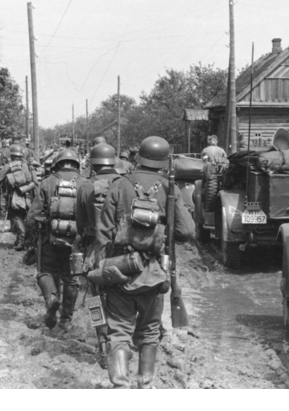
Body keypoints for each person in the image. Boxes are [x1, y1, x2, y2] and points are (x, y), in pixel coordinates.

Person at [93, 136, 195, 389]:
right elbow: (187, 232)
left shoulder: (120, 184)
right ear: (164, 161)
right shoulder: (169, 188)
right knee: (149, 330)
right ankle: (144, 385)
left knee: (118, 330)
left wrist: (103, 269)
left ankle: (120, 386)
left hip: (120, 269)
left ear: (138, 157)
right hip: (154, 272)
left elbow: (103, 232)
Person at [75, 143, 123, 368]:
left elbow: (81, 223)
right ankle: (121, 343)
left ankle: (103, 344)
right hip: (122, 251)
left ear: (92, 164)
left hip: (95, 251)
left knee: (95, 298)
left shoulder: (86, 186)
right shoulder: (125, 183)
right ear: (113, 162)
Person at [27, 148, 84, 331]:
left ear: (57, 164)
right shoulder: (85, 183)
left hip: (49, 239)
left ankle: (51, 298)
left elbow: (32, 216)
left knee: (45, 272)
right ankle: (66, 320)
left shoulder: (47, 182)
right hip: (76, 243)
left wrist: (33, 236)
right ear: (77, 164)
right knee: (71, 279)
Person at [0, 144, 37, 250]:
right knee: (25, 218)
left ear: (11, 156)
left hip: (14, 197)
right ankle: (26, 239)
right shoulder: (27, 165)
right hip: (28, 196)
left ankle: (22, 239)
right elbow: (35, 181)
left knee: (15, 217)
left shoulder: (8, 166)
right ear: (22, 155)